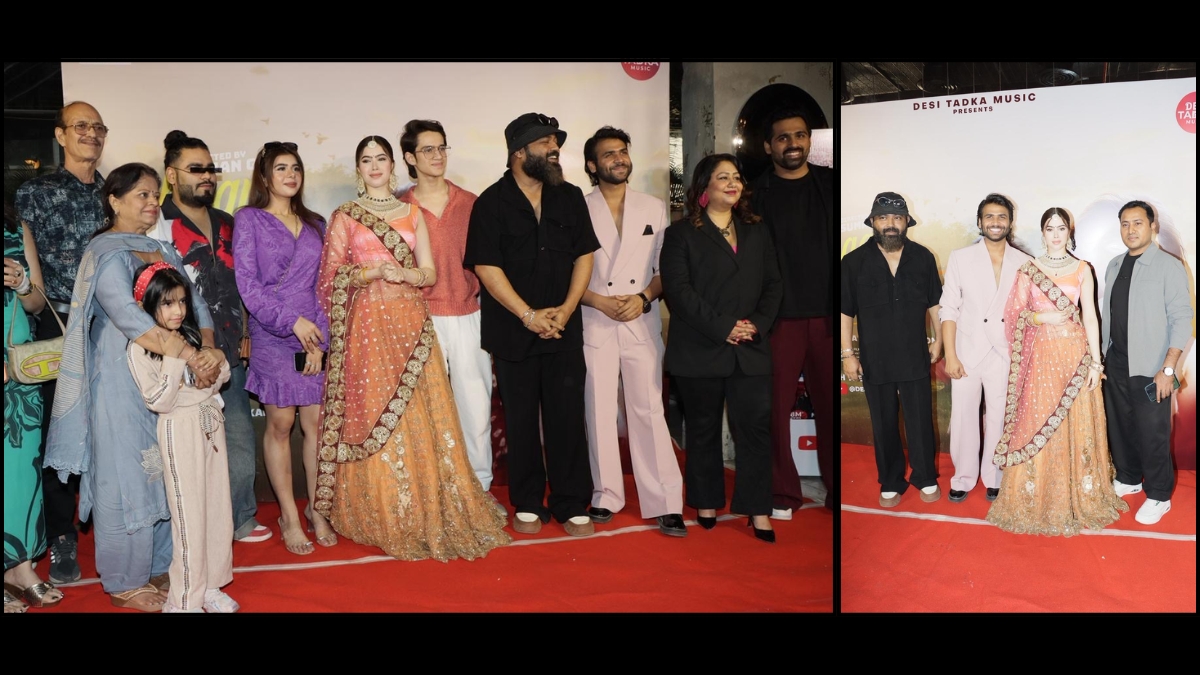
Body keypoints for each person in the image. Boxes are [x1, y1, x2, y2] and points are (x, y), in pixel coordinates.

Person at [312, 135, 510, 560]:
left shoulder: (411, 212)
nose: (375, 166)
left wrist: (406, 275)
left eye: (381, 158)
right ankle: (384, 509)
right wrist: (367, 274)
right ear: (358, 169)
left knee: (421, 414)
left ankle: (427, 506)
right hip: (367, 328)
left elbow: (429, 273)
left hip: (412, 324)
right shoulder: (345, 215)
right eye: (367, 160)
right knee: (375, 409)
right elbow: (329, 279)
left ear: (393, 164)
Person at [44, 163, 224, 612]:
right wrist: (191, 357)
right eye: (141, 194)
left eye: (154, 195)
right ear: (114, 200)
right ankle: (124, 580)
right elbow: (127, 315)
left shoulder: (161, 248)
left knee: (168, 467)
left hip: (170, 373)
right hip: (119, 377)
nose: (151, 203)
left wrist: (207, 350)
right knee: (127, 472)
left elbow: (196, 303)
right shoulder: (105, 251)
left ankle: (162, 564)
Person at [464, 113, 600, 537]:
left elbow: (584, 256)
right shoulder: (490, 202)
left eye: (555, 141)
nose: (554, 148)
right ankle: (527, 501)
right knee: (520, 420)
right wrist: (527, 314)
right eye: (545, 142)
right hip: (513, 331)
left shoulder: (570, 196)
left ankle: (571, 501)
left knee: (567, 416)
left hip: (563, 328)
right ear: (519, 151)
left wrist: (567, 309)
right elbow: (486, 268)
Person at [148, 130, 270, 545]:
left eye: (211, 169)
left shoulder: (228, 223)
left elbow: (244, 283)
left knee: (237, 439)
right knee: (185, 450)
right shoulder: (157, 225)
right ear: (171, 174)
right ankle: (188, 529)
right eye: (196, 169)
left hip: (229, 351)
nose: (207, 176)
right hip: (178, 354)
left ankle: (239, 517)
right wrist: (184, 350)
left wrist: (247, 331)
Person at [660, 153, 782, 543]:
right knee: (703, 429)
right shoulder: (680, 234)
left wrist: (756, 325)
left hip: (750, 347)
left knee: (755, 430)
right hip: (700, 348)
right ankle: (706, 502)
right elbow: (678, 292)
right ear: (704, 187)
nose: (732, 183)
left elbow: (774, 285)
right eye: (723, 177)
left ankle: (758, 509)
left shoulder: (757, 230)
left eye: (736, 177)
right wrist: (722, 327)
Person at [985, 207, 1128, 535]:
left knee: (1076, 425)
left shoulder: (1082, 268)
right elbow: (1014, 314)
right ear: (1042, 233)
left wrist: (1095, 363)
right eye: (1050, 228)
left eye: (1061, 228)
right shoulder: (1030, 269)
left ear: (1069, 232)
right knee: (1038, 422)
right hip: (1041, 360)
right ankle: (1037, 500)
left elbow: (1090, 316)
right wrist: (1042, 317)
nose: (1055, 234)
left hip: (1075, 358)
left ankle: (1080, 498)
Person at [14, 101, 108, 585]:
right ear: (60, 135)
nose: (91, 133)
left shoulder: (117, 192)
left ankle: (116, 526)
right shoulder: (35, 193)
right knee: (59, 436)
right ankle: (61, 537)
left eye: (98, 127)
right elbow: (26, 272)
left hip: (113, 326)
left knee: (114, 429)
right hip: (56, 328)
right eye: (81, 126)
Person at [578, 126, 685, 537]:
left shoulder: (653, 207)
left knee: (649, 409)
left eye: (623, 151)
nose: (619, 159)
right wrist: (597, 301)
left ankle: (665, 501)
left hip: (641, 318)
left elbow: (665, 268)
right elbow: (567, 272)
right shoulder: (578, 208)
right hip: (595, 319)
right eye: (609, 154)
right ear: (592, 165)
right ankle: (605, 494)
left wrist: (643, 298)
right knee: (599, 410)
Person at [234, 142, 333, 555]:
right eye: (281, 168)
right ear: (264, 176)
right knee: (280, 424)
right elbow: (248, 286)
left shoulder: (316, 223)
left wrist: (320, 339)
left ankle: (317, 509)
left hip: (313, 336)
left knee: (316, 424)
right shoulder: (249, 219)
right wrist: (292, 322)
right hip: (272, 335)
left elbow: (325, 286)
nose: (290, 175)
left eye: (295, 168)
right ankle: (289, 515)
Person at [126, 262, 239, 612]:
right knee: (188, 516)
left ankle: (211, 586)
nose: (177, 311)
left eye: (182, 302)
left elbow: (220, 378)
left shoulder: (191, 336)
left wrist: (215, 359)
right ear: (146, 304)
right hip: (178, 428)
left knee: (217, 508)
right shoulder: (139, 347)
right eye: (167, 303)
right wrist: (175, 360)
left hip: (210, 422)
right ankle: (184, 600)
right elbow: (159, 401)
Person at [397, 120, 494, 491]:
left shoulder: (471, 203)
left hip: (469, 313)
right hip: (420, 319)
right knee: (424, 411)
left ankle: (479, 489)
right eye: (428, 149)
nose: (437, 156)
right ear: (410, 158)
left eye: (442, 148)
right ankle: (434, 493)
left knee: (476, 408)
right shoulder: (399, 207)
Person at [750, 109, 836, 518]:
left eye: (800, 135)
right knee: (774, 410)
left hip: (828, 316)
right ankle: (783, 494)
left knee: (832, 409)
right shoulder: (753, 194)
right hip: (778, 319)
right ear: (769, 146)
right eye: (783, 137)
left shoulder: (831, 183)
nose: (793, 143)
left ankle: (837, 490)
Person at [840, 192, 943, 508]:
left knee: (920, 420)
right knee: (883, 422)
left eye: (897, 218)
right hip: (875, 358)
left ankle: (925, 476)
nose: (890, 224)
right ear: (873, 221)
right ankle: (890, 480)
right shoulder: (853, 262)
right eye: (883, 217)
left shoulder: (923, 257)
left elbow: (936, 304)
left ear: (906, 222)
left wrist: (939, 339)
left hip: (915, 354)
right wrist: (848, 354)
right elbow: (845, 312)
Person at [1102, 201, 1192, 525]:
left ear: (1153, 226)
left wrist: (1168, 369)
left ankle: (1158, 495)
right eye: (1125, 224)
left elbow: (1182, 318)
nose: (1131, 230)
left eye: (1138, 223)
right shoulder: (1114, 264)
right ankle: (1128, 477)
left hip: (1152, 368)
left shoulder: (1169, 266)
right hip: (1115, 362)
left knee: (1154, 434)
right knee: (1120, 427)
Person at [939, 194, 1031, 503]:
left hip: (1004, 352)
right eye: (989, 216)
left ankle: (995, 476)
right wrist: (951, 355)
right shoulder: (960, 257)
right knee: (964, 417)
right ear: (979, 222)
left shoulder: (1024, 262)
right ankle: (963, 477)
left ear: (1010, 222)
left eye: (1001, 216)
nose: (995, 222)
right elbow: (948, 309)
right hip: (967, 351)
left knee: (999, 418)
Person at [4, 203, 63, 613]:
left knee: (21, 474)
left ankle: (19, 568)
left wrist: (23, 283)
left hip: (19, 370)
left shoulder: (16, 227)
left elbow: (37, 305)